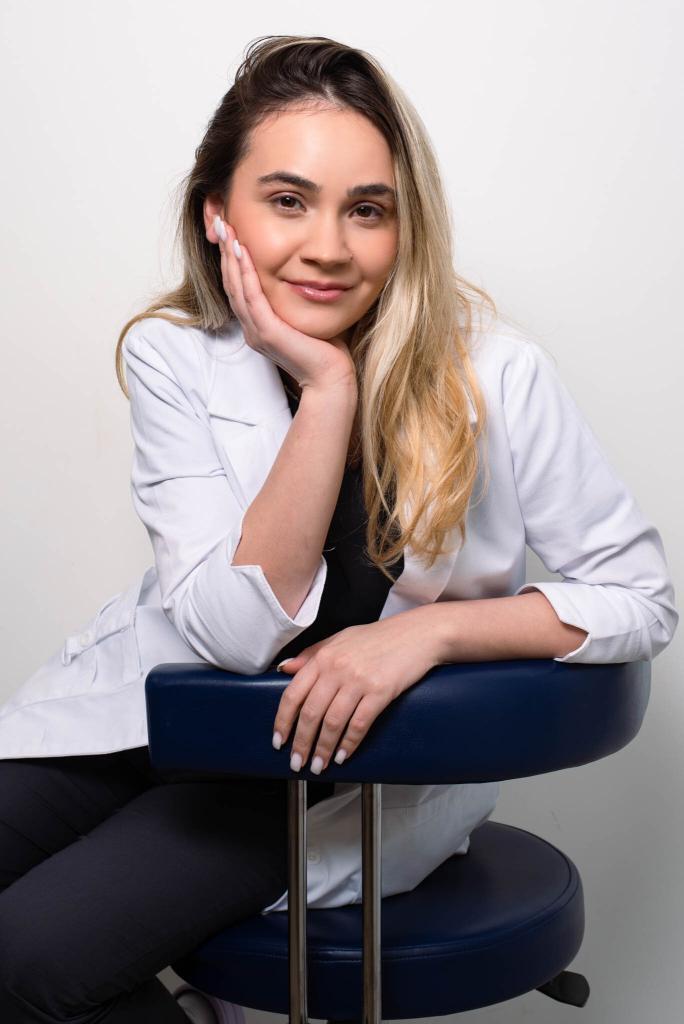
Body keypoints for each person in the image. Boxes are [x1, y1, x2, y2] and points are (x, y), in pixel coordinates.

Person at [0, 32, 678, 1024]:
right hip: (145, 722)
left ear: (407, 226)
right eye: (288, 200)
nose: (328, 246)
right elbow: (234, 634)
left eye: (367, 210)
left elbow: (640, 599)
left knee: (24, 957)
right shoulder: (176, 357)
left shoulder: (499, 372)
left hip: (321, 778)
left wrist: (431, 632)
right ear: (218, 213)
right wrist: (328, 390)